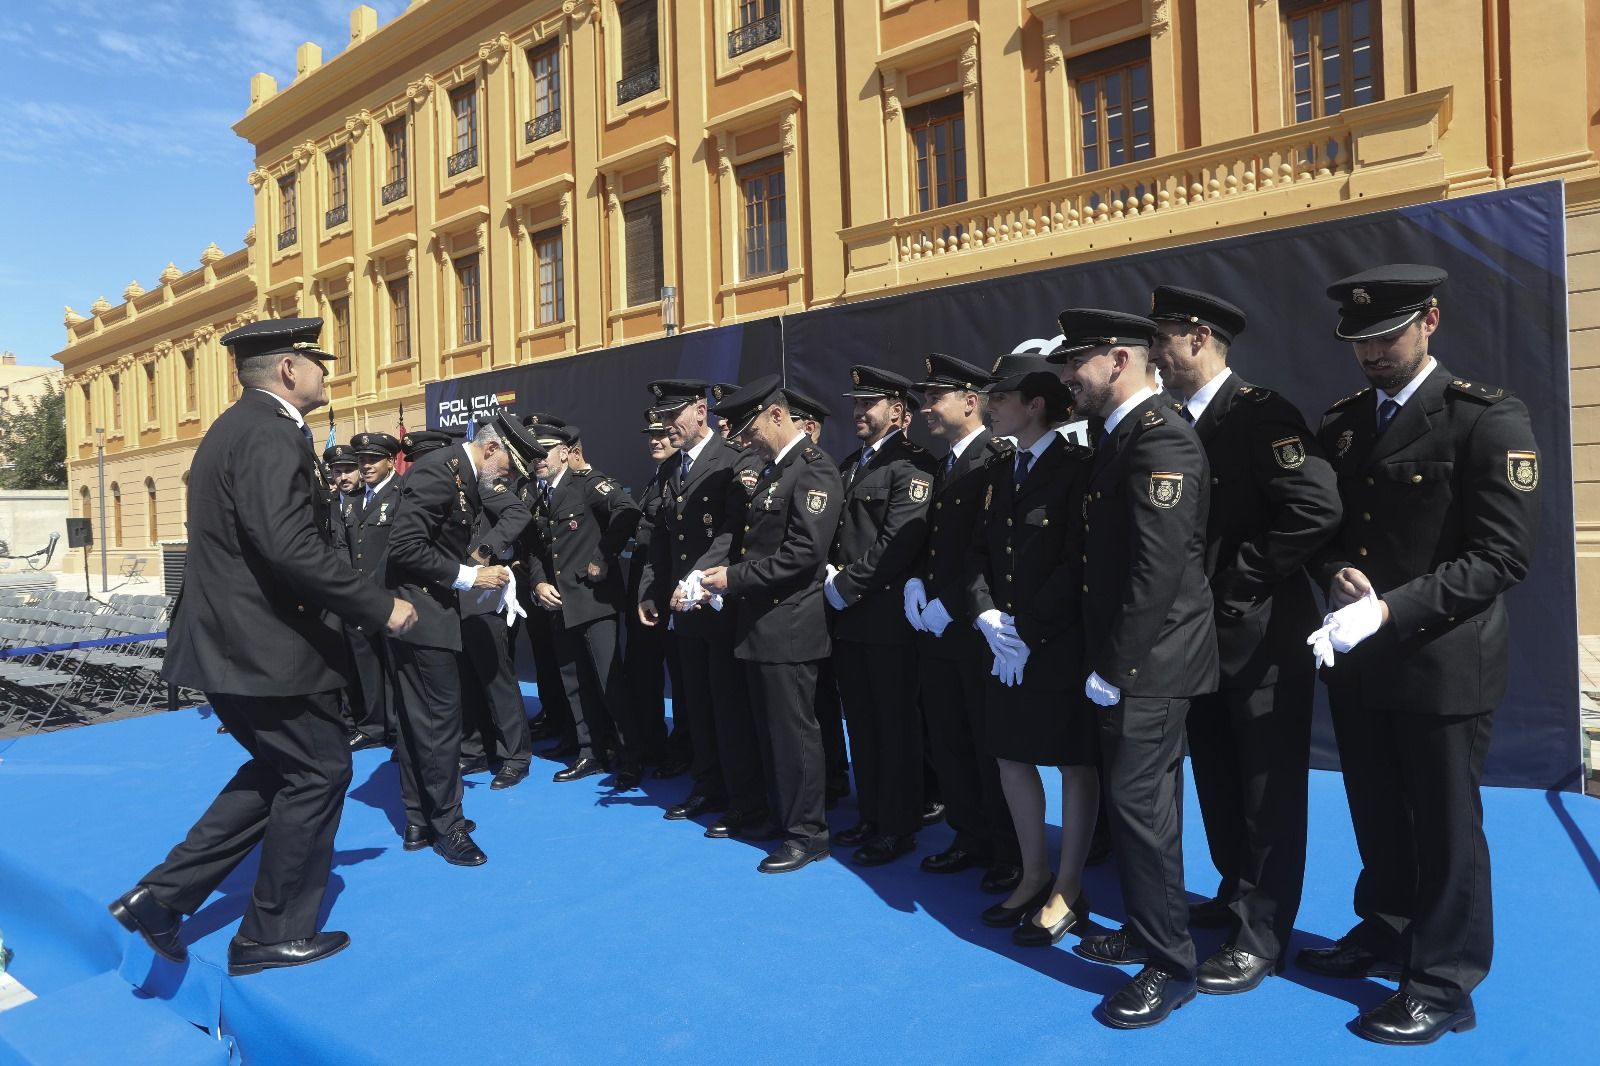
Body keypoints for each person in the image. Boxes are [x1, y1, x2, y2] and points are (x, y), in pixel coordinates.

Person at [109, 318, 417, 977]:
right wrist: (377, 604)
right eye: (316, 362)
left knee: (285, 769)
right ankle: (269, 934)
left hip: (238, 644)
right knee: (320, 770)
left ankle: (160, 900)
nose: (325, 373)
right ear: (287, 370)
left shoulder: (240, 428)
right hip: (262, 648)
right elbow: (288, 546)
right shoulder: (269, 433)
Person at [1299, 265, 1540, 1045]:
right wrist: (1332, 570)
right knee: (1375, 810)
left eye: (1386, 337)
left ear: (1430, 320)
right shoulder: (1342, 424)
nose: (1371, 354)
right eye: (1359, 343)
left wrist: (1389, 609)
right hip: (1362, 662)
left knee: (1445, 829)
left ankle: (1443, 982)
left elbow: (1501, 557)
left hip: (1442, 662)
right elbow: (1324, 522)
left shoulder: (1484, 418)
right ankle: (1389, 926)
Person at [1146, 285, 1343, 994]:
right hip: (1196, 643)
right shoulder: (1168, 420)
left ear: (1198, 338)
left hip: (1258, 637)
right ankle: (1233, 896)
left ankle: (1262, 933)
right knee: (1219, 779)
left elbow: (1315, 507)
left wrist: (1237, 583)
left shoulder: (1261, 415)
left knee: (1267, 792)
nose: (1155, 354)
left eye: (1162, 339)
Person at [1051, 308, 1218, 1028]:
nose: (1066, 379)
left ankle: (1170, 964)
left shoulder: (1160, 439)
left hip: (1149, 661)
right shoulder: (1119, 437)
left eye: (1075, 364)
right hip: (1128, 657)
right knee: (1142, 811)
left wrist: (1116, 667)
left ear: (1119, 360)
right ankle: (1152, 928)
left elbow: (1157, 572)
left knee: (1144, 814)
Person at [966, 358, 1099, 943]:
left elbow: (1079, 561)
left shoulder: (1076, 471)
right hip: (1004, 645)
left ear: (1036, 403)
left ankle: (1068, 888)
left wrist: (1029, 628)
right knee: (1010, 756)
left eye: (1002, 395)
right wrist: (986, 614)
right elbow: (976, 553)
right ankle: (1033, 872)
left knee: (1073, 761)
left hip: (1056, 642)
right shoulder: (999, 472)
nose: (991, 404)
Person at [700, 376, 843, 874]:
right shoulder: (769, 472)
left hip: (789, 627)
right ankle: (771, 815)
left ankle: (808, 833)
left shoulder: (813, 471)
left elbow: (805, 554)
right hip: (759, 625)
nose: (745, 439)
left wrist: (733, 578)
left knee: (794, 736)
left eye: (749, 428)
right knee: (766, 733)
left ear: (777, 416)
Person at [386, 414, 535, 865]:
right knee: (439, 723)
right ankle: (447, 826)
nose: (507, 479)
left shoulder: (459, 472)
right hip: (422, 615)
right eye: (509, 468)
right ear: (492, 449)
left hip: (425, 611)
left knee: (420, 722)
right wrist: (470, 575)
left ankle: (418, 818)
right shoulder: (439, 471)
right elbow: (406, 546)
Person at [905, 354, 1022, 893]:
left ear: (970, 402)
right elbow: (933, 544)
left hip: (975, 627)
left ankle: (1008, 850)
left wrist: (951, 602)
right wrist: (915, 583)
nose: (925, 408)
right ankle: (968, 834)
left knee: (986, 743)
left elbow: (987, 548)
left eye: (935, 397)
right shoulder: (946, 462)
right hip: (936, 628)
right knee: (949, 738)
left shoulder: (993, 460)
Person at [638, 380, 766, 833]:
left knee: (730, 706)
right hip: (684, 608)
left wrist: (697, 578)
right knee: (698, 704)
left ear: (699, 411)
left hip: (720, 604)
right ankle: (708, 783)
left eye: (673, 416)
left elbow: (734, 532)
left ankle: (743, 796)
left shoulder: (734, 460)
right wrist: (651, 591)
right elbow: (663, 539)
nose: (665, 427)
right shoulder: (673, 469)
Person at [828, 365, 937, 866]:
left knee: (894, 726)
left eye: (867, 404)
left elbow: (899, 543)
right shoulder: (853, 464)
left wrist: (844, 586)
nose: (857, 412)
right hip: (849, 621)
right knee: (863, 724)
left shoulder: (914, 465)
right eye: (854, 403)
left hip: (889, 621)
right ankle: (871, 813)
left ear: (896, 411)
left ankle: (898, 825)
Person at [525, 423, 643, 785]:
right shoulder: (537, 495)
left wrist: (603, 555)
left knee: (610, 683)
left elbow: (627, 510)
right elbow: (534, 547)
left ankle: (630, 757)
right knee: (574, 683)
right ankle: (590, 751)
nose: (538, 461)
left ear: (564, 452)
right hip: (559, 604)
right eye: (533, 454)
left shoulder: (588, 484)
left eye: (544, 452)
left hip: (594, 602)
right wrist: (538, 582)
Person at [782, 386, 851, 806]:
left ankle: (834, 779)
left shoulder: (819, 468)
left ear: (809, 428)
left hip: (833, 597)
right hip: (819, 599)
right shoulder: (839, 467)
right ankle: (830, 780)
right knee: (816, 702)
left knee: (822, 703)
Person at [456, 454, 535, 790]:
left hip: (484, 594)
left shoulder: (485, 485)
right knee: (465, 679)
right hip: (453, 592)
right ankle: (474, 750)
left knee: (495, 677)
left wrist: (485, 549)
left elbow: (519, 512)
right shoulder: (443, 488)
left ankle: (515, 756)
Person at [624, 409, 688, 775]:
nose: (656, 440)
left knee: (680, 678)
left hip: (672, 592)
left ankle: (680, 750)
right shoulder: (659, 477)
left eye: (662, 434)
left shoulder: (682, 475)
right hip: (646, 591)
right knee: (643, 672)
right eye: (651, 434)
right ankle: (651, 743)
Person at [342, 432, 405, 751]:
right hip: (358, 599)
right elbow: (343, 547)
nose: (365, 466)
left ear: (391, 461)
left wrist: (373, 588)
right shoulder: (351, 501)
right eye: (361, 461)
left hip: (391, 596)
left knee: (396, 666)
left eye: (372, 460)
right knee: (365, 664)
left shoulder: (402, 495)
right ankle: (372, 726)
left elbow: (399, 548)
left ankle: (398, 730)